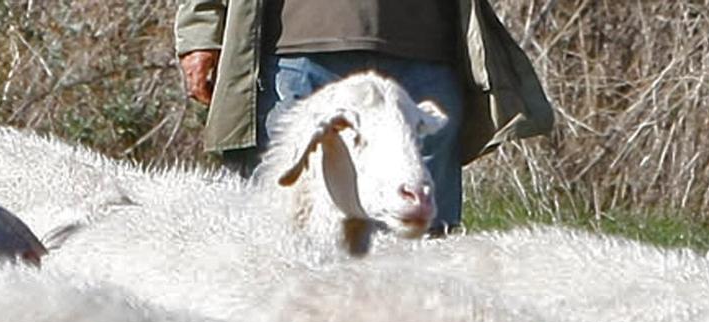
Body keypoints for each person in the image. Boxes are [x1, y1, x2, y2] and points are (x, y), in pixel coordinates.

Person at [173, 0, 553, 234]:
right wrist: (200, 33)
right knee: (284, 237)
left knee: (424, 246)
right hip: (296, 55)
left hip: (427, 57)